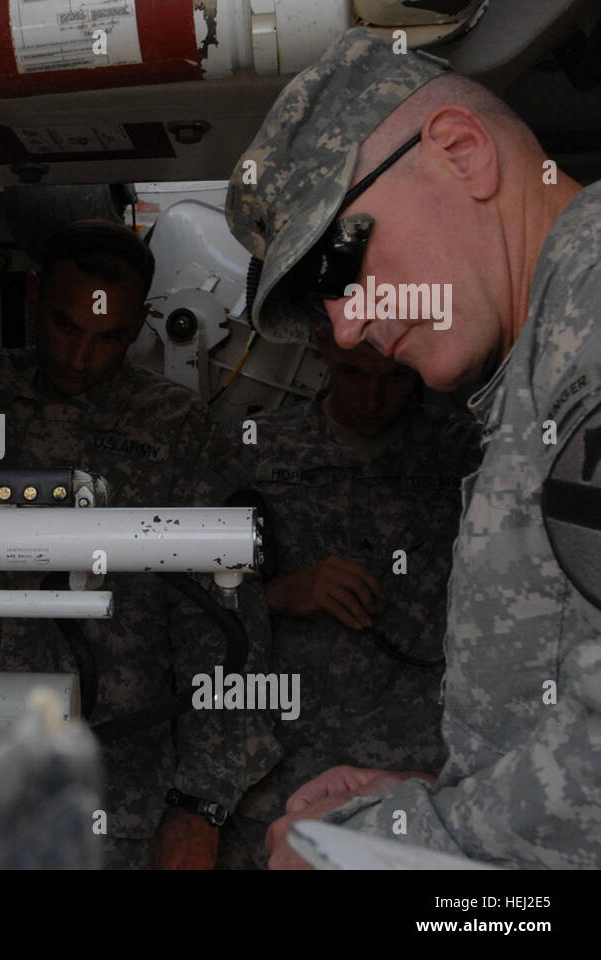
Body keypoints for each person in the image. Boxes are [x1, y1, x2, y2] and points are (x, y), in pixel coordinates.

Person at [227, 27, 601, 867]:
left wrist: (396, 842)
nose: (348, 324)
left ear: (463, 154)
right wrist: (436, 799)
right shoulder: (539, 363)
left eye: (343, 265)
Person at [0, 219, 280, 869]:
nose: (83, 359)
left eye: (111, 337)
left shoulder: (174, 428)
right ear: (32, 297)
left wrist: (201, 803)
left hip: (111, 796)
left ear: (141, 320)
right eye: (66, 327)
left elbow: (223, 621)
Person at [207, 326, 479, 868]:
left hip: (416, 776)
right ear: (324, 348)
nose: (373, 400)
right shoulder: (255, 447)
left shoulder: (463, 454)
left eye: (394, 379)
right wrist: (281, 594)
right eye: (353, 373)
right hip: (279, 774)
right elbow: (185, 602)